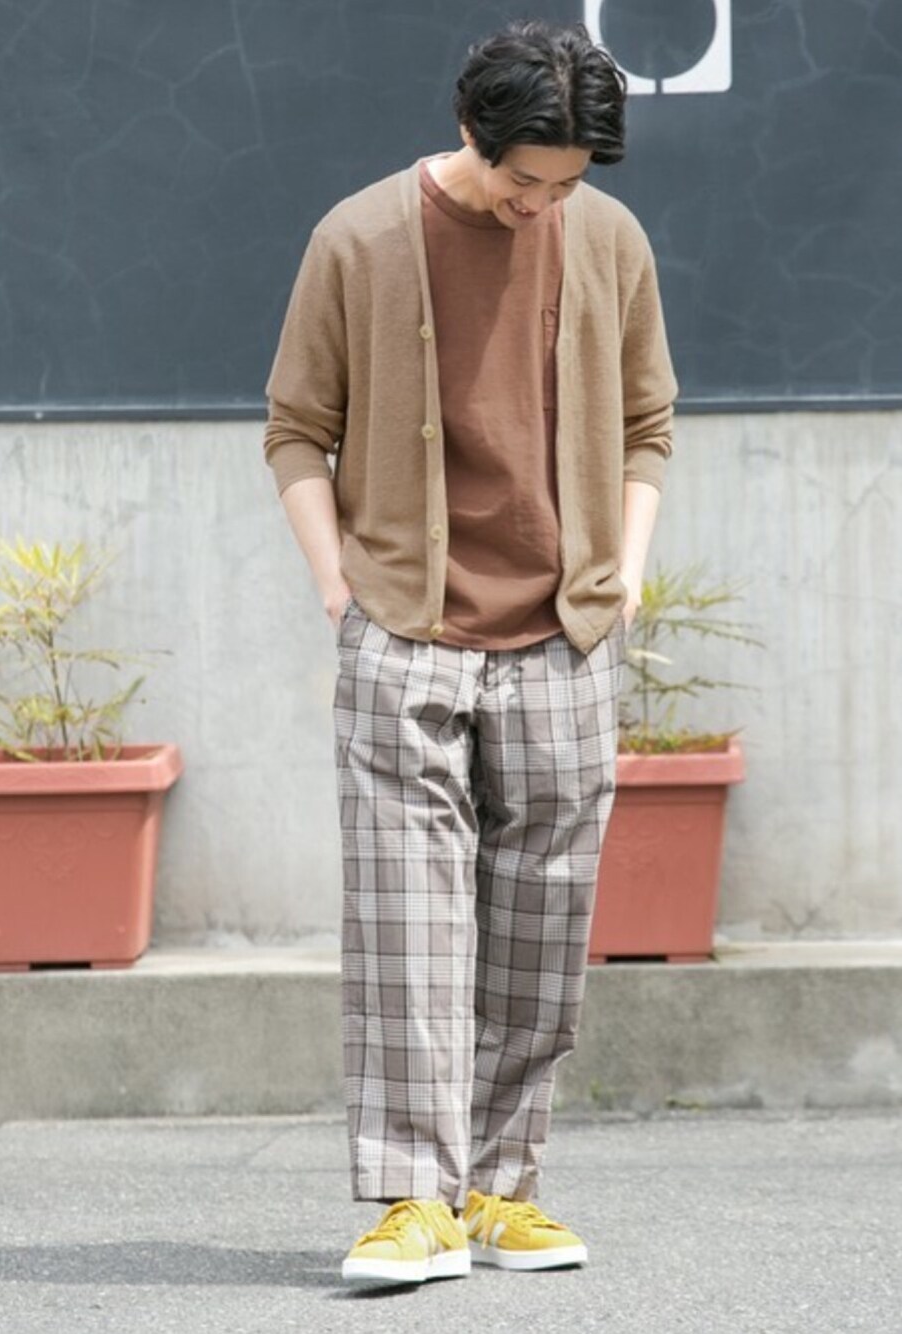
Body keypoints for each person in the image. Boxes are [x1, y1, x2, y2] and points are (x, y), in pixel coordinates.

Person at [263, 17, 677, 1287]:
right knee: (407, 929)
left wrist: (623, 570)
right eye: (523, 181)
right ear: (470, 132)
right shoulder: (358, 238)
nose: (542, 205)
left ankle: (501, 1189)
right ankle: (410, 1200)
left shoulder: (606, 239)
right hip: (406, 631)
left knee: (540, 933)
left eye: (566, 183)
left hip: (564, 636)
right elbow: (295, 428)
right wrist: (339, 589)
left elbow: (648, 421)